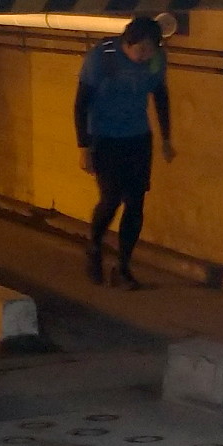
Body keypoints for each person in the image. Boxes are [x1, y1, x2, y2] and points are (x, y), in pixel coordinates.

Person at [74, 16, 176, 289]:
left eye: (149, 50)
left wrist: (166, 138)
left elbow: (160, 94)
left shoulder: (156, 60)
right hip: (104, 138)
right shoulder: (102, 58)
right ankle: (94, 246)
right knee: (111, 198)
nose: (143, 56)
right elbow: (81, 103)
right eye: (139, 50)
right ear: (126, 44)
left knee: (136, 201)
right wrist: (83, 146)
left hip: (138, 137)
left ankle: (123, 267)